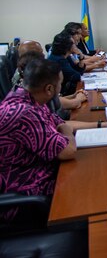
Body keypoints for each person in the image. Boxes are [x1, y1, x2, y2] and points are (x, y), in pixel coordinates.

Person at [0, 59, 76, 222]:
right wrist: (68, 133)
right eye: (60, 84)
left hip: (34, 173)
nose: (60, 89)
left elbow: (59, 123)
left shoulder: (25, 98)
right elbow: (67, 151)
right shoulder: (25, 113)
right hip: (25, 193)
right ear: (49, 89)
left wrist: (64, 129)